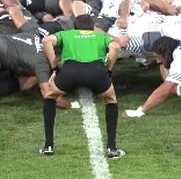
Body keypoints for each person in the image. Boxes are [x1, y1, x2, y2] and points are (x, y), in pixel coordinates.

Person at [40, 14, 125, 158]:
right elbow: (116, 47)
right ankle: (112, 148)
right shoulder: (100, 36)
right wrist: (109, 69)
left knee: (50, 96)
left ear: (75, 27)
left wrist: (54, 67)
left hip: (70, 72)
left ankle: (48, 145)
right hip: (97, 72)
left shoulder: (67, 34)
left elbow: (47, 41)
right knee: (111, 100)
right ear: (92, 28)